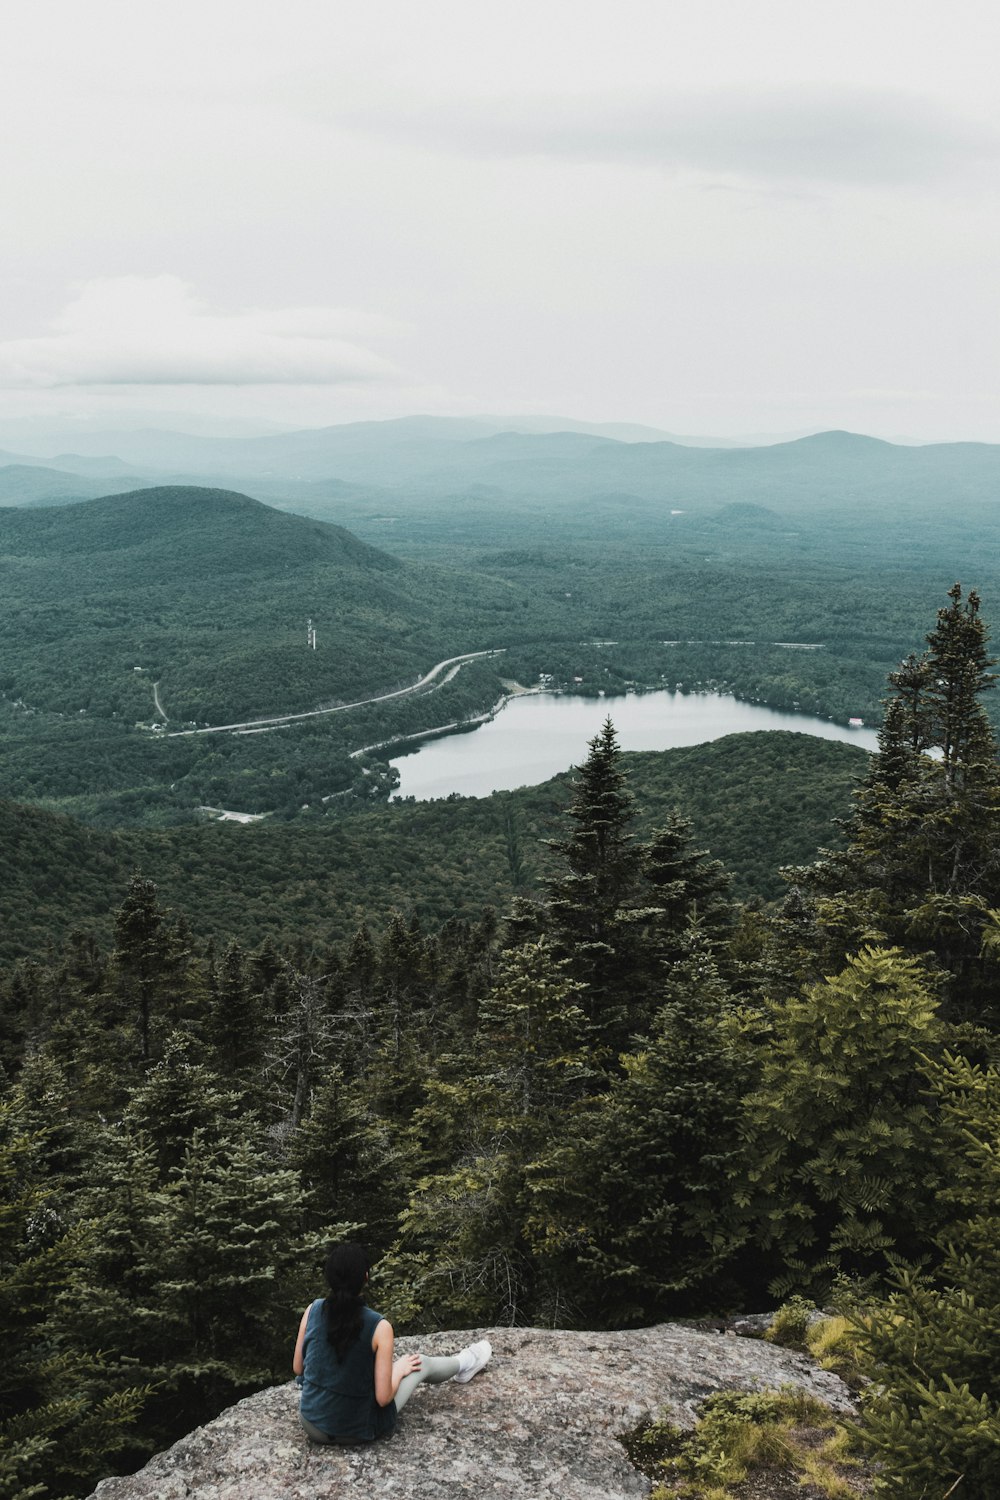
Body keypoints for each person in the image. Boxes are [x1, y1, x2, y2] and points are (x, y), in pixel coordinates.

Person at [293, 1243, 492, 1444]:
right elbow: (383, 1398)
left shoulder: (312, 1310)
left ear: (329, 1276)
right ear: (366, 1278)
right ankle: (466, 1362)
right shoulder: (380, 1326)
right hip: (354, 1432)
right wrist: (399, 1370)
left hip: (310, 1424)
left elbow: (298, 1367)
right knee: (418, 1362)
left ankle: (463, 1363)